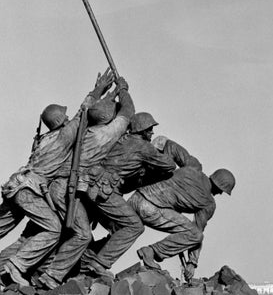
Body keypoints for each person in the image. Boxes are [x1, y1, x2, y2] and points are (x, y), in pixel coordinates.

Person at [0, 70, 115, 288]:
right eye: (65, 118)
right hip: (28, 190)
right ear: (60, 121)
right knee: (53, 229)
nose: (69, 119)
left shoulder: (44, 140)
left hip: (15, 186)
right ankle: (16, 265)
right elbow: (83, 114)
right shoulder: (62, 137)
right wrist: (99, 90)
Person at [32, 75, 135, 288]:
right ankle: (51, 276)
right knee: (83, 234)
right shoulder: (105, 134)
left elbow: (84, 111)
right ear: (108, 118)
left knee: (70, 231)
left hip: (58, 186)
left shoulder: (80, 131)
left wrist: (104, 92)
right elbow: (128, 112)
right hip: (65, 188)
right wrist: (123, 90)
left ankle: (49, 271)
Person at [76, 116, 200, 277]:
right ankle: (99, 264)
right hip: (104, 191)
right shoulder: (143, 147)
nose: (152, 132)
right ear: (142, 131)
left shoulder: (122, 140)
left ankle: (87, 258)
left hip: (93, 185)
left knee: (117, 227)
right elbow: (169, 165)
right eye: (149, 129)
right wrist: (164, 150)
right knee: (135, 226)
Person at [132, 166, 236, 282]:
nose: (221, 193)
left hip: (136, 197)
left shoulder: (190, 169)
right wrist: (192, 262)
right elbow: (197, 232)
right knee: (195, 235)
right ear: (219, 187)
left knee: (119, 231)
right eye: (222, 190)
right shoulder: (209, 203)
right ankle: (151, 251)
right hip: (150, 208)